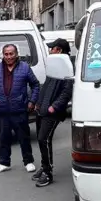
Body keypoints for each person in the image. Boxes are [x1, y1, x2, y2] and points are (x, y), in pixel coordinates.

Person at [0, 44, 41, 173]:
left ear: (16, 54)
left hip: (20, 110)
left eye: (11, 54)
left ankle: (28, 161)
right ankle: (4, 163)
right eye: (6, 54)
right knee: (4, 138)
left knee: (23, 137)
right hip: (2, 110)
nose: (9, 57)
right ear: (3, 55)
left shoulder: (25, 68)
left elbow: (35, 85)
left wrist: (32, 101)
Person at [32, 38, 74, 187]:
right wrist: (39, 103)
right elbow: (47, 85)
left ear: (59, 50)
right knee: (42, 139)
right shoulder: (55, 65)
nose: (50, 51)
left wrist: (54, 107)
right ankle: (44, 166)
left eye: (52, 48)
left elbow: (66, 92)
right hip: (43, 108)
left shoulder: (67, 67)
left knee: (44, 139)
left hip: (52, 111)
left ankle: (48, 173)